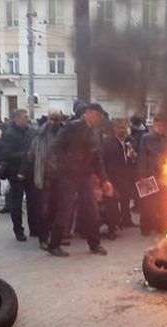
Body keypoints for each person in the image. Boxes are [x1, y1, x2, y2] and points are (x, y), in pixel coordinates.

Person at [47, 103, 113, 257]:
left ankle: (94, 244)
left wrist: (104, 180)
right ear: (89, 113)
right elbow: (55, 146)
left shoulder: (95, 132)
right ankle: (54, 245)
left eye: (101, 116)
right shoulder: (72, 127)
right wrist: (67, 164)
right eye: (98, 115)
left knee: (92, 210)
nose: (100, 119)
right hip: (68, 176)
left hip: (84, 176)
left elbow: (97, 158)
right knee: (65, 210)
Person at [21, 109, 64, 250]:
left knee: (57, 209)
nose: (53, 122)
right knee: (43, 210)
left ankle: (55, 237)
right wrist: (25, 172)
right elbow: (30, 155)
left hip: (60, 177)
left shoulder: (64, 134)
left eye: (56, 119)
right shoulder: (39, 135)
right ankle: (43, 239)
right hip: (44, 177)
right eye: (51, 119)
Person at [0, 109, 37, 242]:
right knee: (17, 202)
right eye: (25, 117)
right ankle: (18, 230)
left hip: (29, 171)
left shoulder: (30, 131)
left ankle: (34, 228)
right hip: (15, 172)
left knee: (33, 201)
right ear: (17, 119)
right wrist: (25, 155)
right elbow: (5, 154)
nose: (28, 119)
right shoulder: (9, 134)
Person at [138, 115, 167, 237]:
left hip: (165, 175)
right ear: (154, 125)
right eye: (158, 125)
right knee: (147, 203)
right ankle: (146, 227)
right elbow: (142, 157)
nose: (161, 128)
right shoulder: (146, 138)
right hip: (149, 174)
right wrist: (142, 175)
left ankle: (162, 226)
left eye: (163, 126)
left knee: (163, 203)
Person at [102, 118, 137, 229]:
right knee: (113, 200)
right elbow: (103, 159)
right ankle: (114, 222)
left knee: (126, 198)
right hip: (113, 175)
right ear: (114, 128)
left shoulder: (130, 141)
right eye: (119, 128)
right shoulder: (107, 142)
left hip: (126, 174)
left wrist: (133, 157)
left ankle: (126, 219)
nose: (122, 130)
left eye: (123, 128)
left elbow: (135, 158)